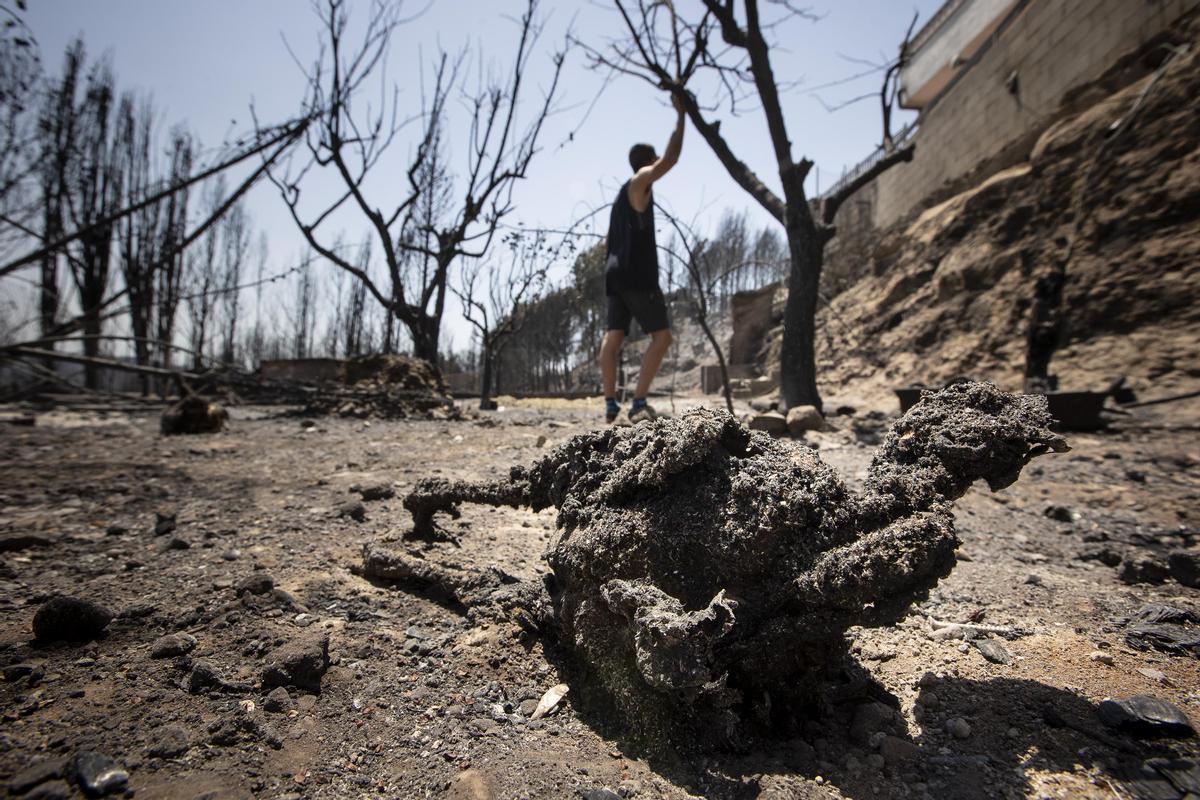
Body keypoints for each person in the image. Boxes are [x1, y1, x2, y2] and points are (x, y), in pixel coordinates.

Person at [600, 93, 685, 424]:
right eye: (654, 160)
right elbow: (672, 159)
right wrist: (681, 117)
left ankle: (609, 405)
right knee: (662, 337)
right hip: (637, 276)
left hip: (614, 275)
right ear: (646, 162)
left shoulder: (620, 201)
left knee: (614, 337)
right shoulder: (639, 182)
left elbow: (609, 241)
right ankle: (637, 402)